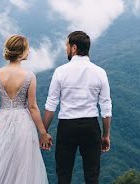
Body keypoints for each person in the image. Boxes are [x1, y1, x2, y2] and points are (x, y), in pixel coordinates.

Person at [0, 34, 52, 184]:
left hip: (2, 119)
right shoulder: (29, 76)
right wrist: (43, 133)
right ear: (21, 53)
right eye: (27, 49)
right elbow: (33, 107)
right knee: (22, 163)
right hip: (23, 122)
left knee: (1, 159)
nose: (28, 52)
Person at [42, 31, 112, 184]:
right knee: (92, 175)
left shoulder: (60, 72)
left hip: (67, 127)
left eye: (67, 45)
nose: (66, 49)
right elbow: (106, 108)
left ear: (74, 48)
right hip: (90, 126)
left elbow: (51, 105)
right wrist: (106, 135)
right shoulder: (100, 72)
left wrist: (44, 131)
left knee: (63, 175)